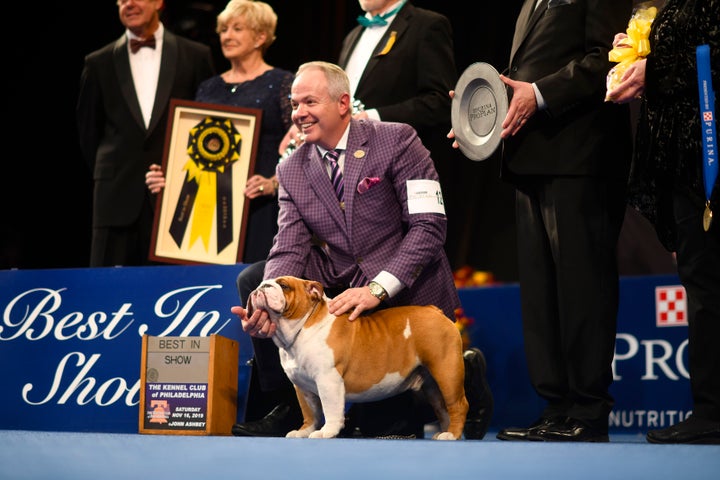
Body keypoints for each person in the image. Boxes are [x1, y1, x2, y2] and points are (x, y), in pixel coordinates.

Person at [229, 61, 493, 439]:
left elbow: (429, 226)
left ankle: (461, 376)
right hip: (339, 281)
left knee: (388, 432)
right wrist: (267, 300)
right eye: (293, 104)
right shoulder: (291, 169)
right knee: (255, 278)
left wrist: (377, 289)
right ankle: (292, 405)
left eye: (309, 102)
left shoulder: (397, 139)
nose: (298, 114)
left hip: (402, 285)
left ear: (342, 103)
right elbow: (288, 244)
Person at [450, 0, 634, 442]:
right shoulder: (531, 3)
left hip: (580, 158)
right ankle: (555, 407)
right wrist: (485, 108)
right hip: (528, 159)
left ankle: (588, 411)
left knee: (582, 287)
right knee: (541, 294)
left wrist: (540, 93)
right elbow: (522, 77)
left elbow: (607, 59)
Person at [606, 0, 719, 444]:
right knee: (703, 283)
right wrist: (637, 54)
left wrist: (654, 68)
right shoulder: (675, 5)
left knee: (709, 286)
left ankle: (712, 411)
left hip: (708, 158)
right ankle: (710, 409)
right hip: (687, 165)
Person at [283, 1, 467, 268]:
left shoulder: (427, 25)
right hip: (347, 167)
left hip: (397, 169)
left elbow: (440, 102)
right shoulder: (352, 36)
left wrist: (371, 116)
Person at [145, 0, 293, 263]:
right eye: (224, 29)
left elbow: (301, 145)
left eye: (237, 28)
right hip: (208, 212)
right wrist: (170, 179)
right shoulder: (208, 87)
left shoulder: (282, 83)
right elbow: (193, 151)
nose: (227, 36)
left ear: (260, 36)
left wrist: (274, 183)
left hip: (262, 207)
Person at [76, 0, 215, 267]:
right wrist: (114, 171)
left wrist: (180, 176)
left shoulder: (196, 55)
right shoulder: (98, 61)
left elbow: (208, 128)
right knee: (108, 293)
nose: (128, 3)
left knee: (173, 292)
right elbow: (88, 131)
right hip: (115, 196)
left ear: (159, 2)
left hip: (176, 198)